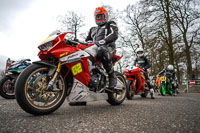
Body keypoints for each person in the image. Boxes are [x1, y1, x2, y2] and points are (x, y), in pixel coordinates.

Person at [85, 7, 118, 89]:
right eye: (97, 17)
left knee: (101, 50)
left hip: (108, 48)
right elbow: (86, 41)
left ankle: (112, 75)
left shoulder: (110, 24)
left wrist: (103, 41)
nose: (99, 18)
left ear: (105, 16)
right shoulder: (92, 29)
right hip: (94, 49)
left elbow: (114, 34)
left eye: (101, 16)